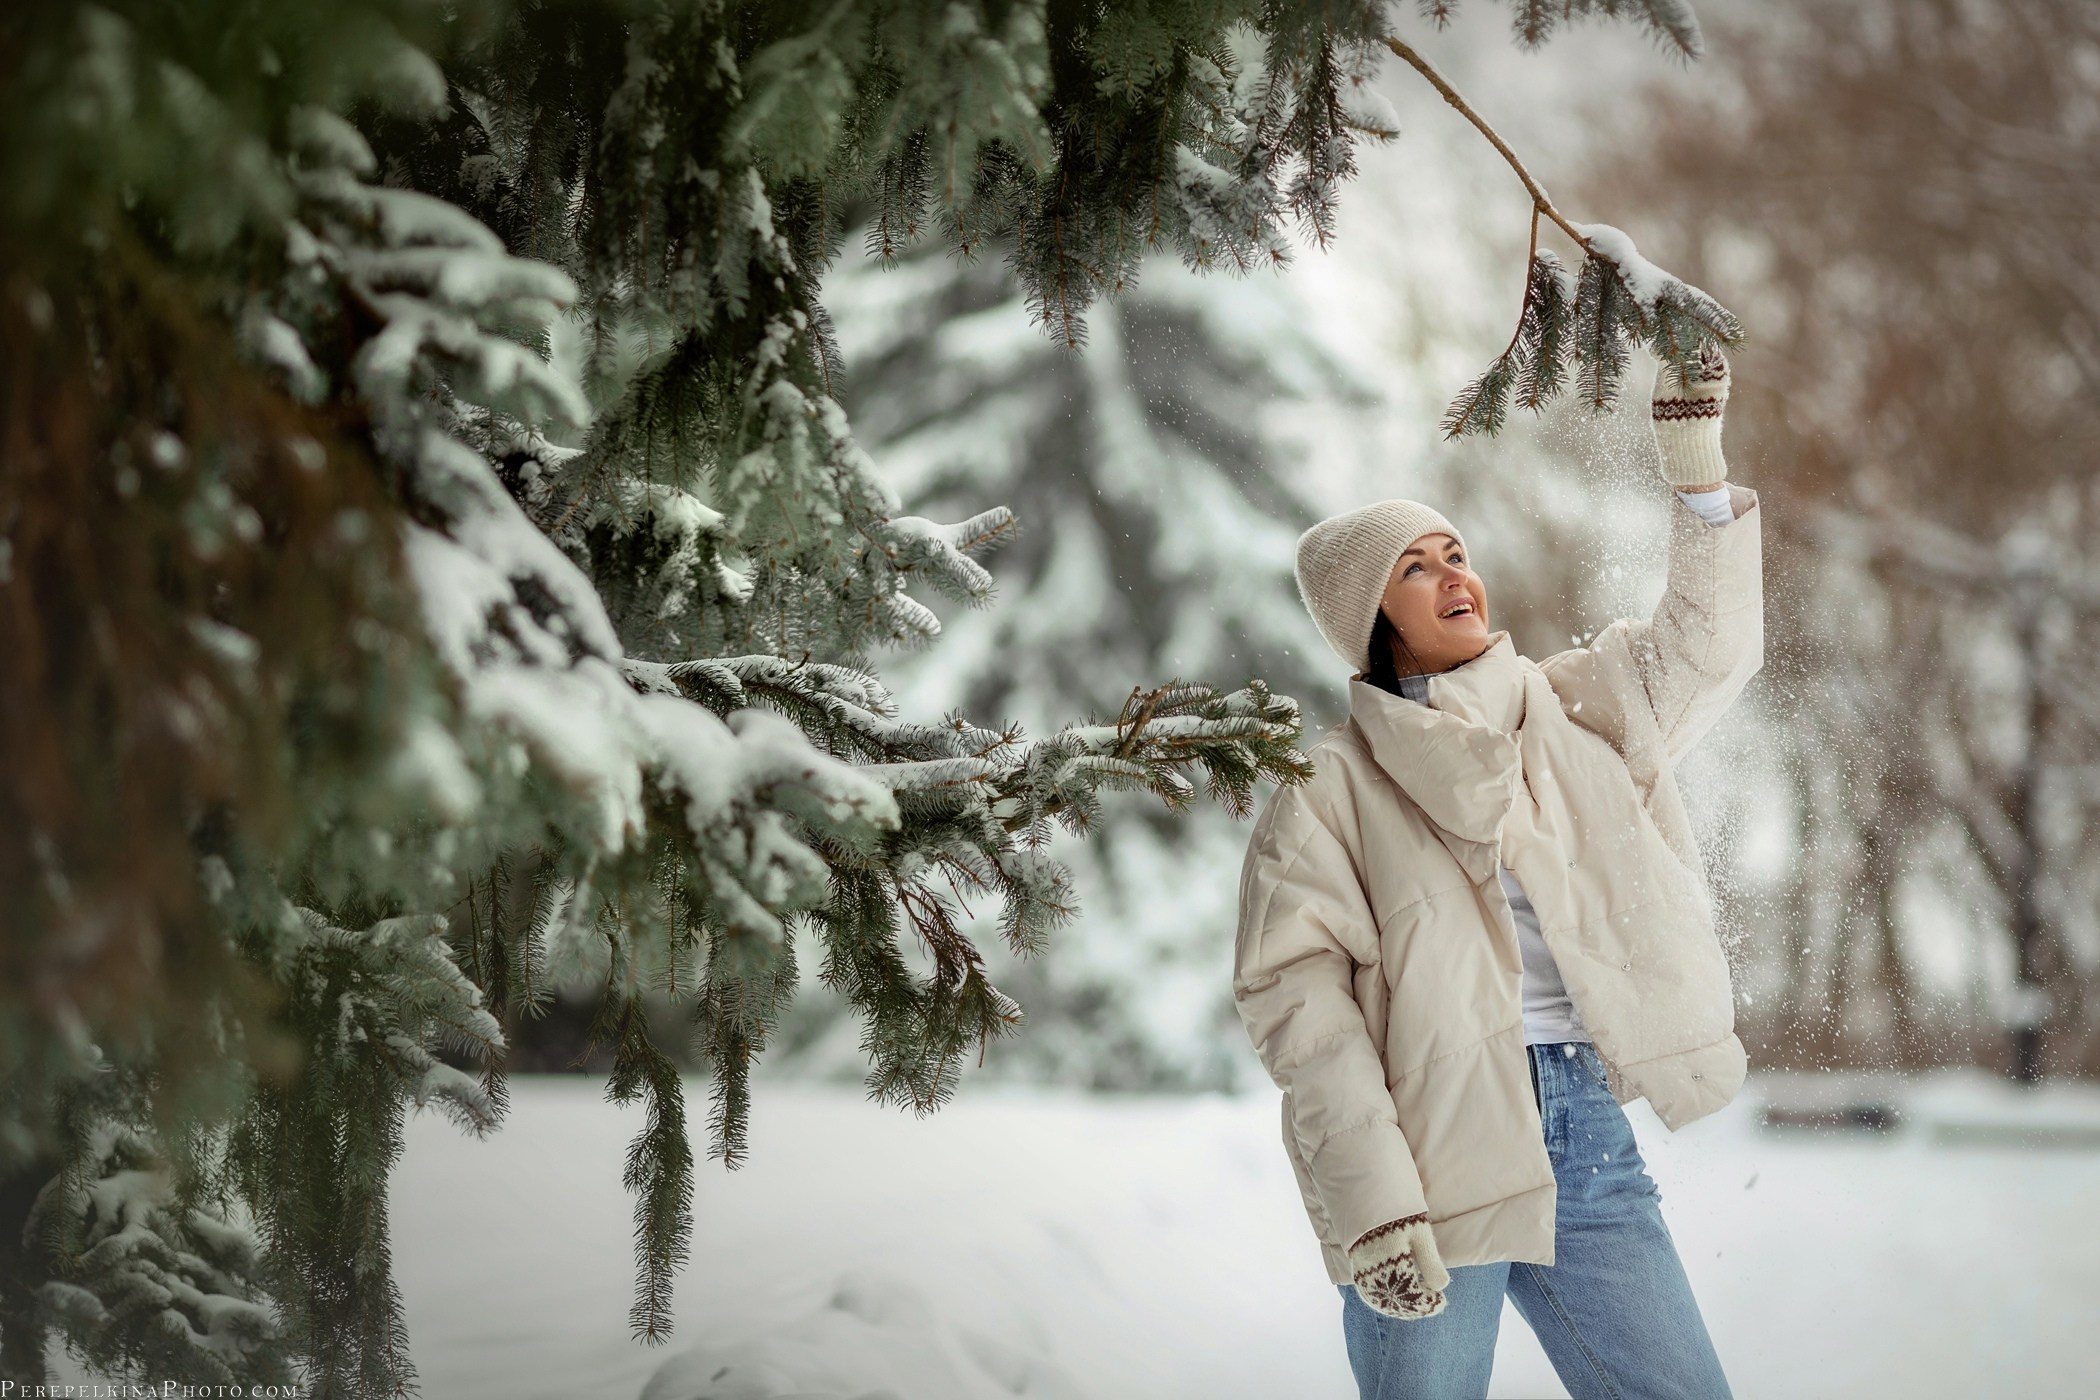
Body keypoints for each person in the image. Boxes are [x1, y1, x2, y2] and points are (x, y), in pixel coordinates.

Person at [1233, 348, 1757, 1400]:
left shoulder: (1574, 705)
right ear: (1371, 620)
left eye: (1454, 551)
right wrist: (1375, 1205)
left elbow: (1708, 651)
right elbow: (1301, 1007)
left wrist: (1696, 470)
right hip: (1428, 1154)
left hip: (1587, 1131)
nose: (1454, 574)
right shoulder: (1329, 784)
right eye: (1414, 567)